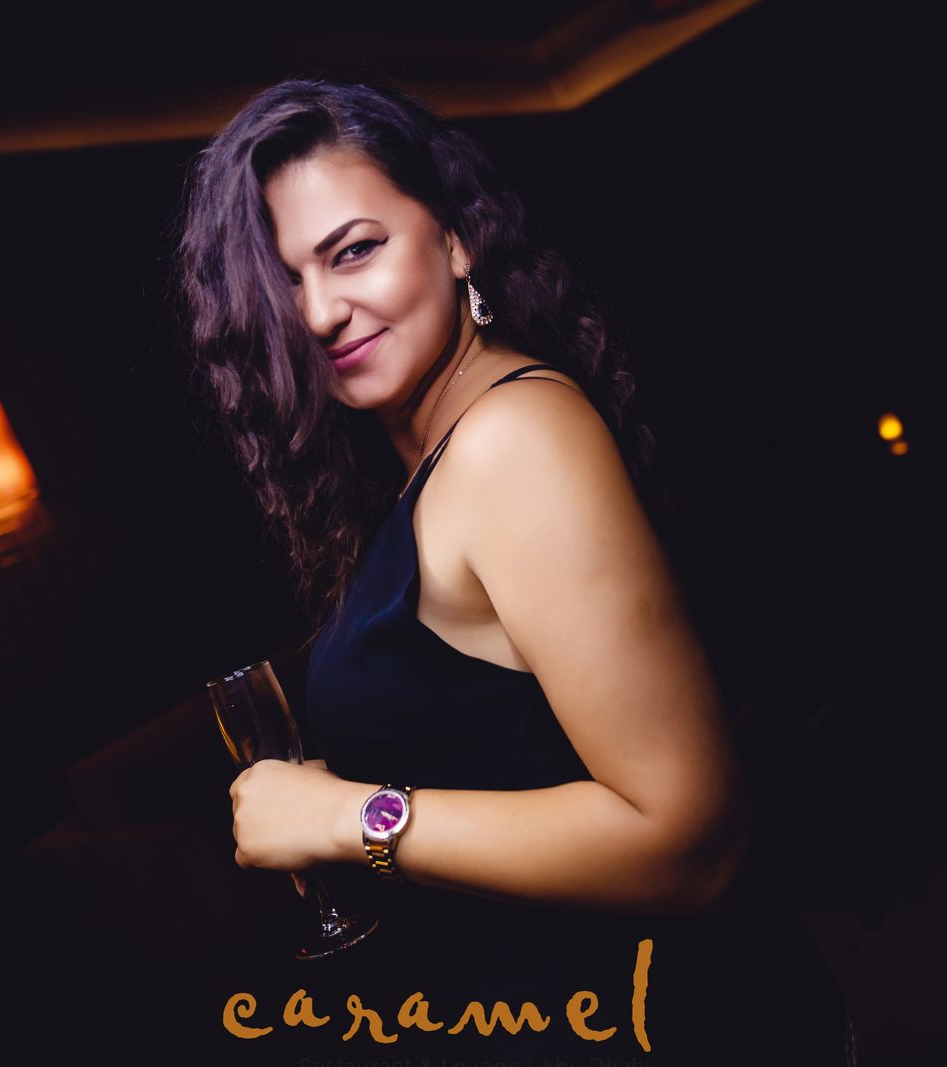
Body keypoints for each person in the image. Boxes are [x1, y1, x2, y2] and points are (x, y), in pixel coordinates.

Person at [175, 78, 855, 1064]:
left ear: (455, 238)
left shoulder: (511, 440)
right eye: (283, 282)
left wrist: (346, 815)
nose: (317, 312)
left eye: (353, 249)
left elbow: (691, 839)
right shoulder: (439, 458)